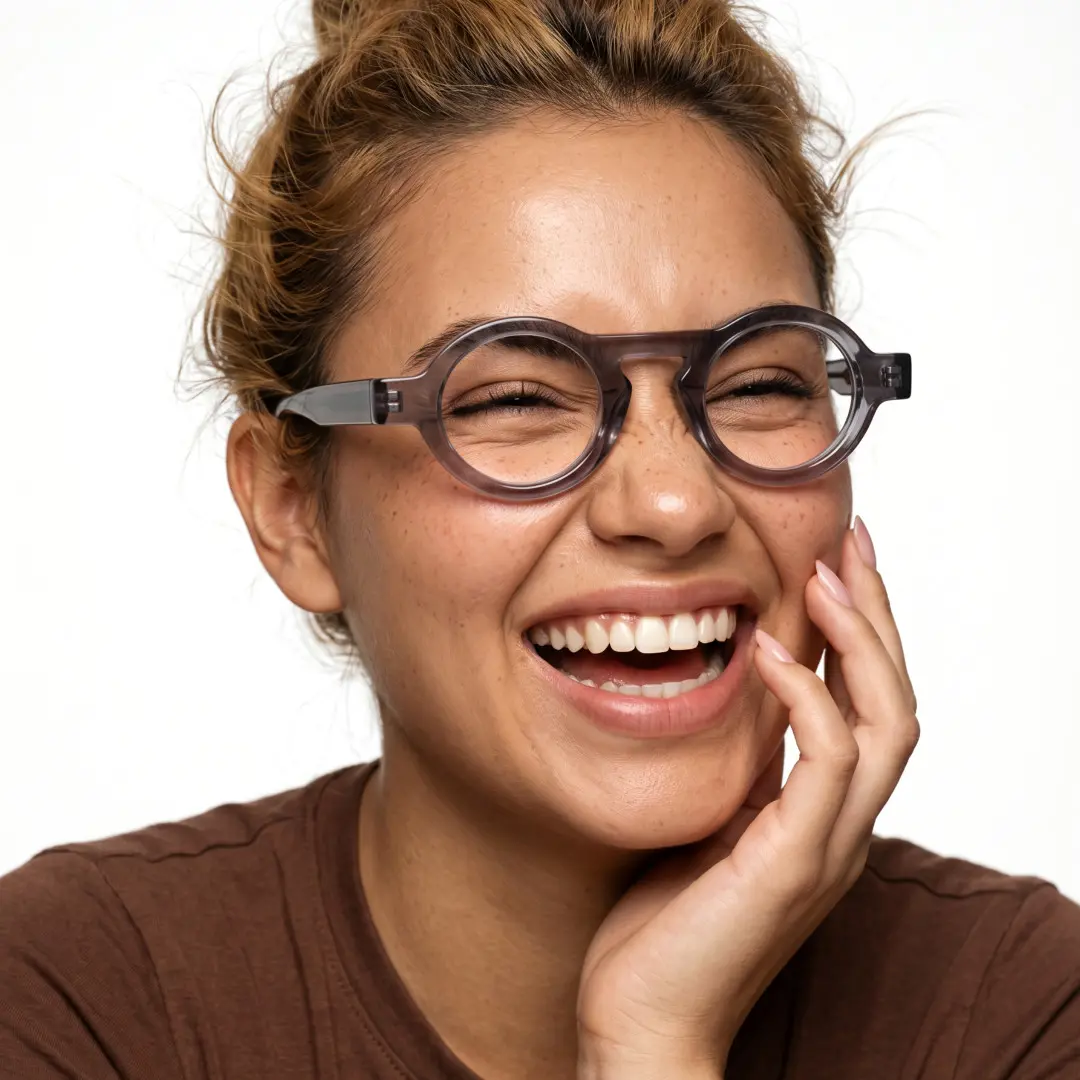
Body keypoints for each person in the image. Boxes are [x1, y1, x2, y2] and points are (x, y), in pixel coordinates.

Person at [2, 0, 1078, 1077]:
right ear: (293, 509)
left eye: (758, 383)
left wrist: (653, 1046)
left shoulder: (1016, 1009)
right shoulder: (79, 999)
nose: (675, 504)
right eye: (515, 398)